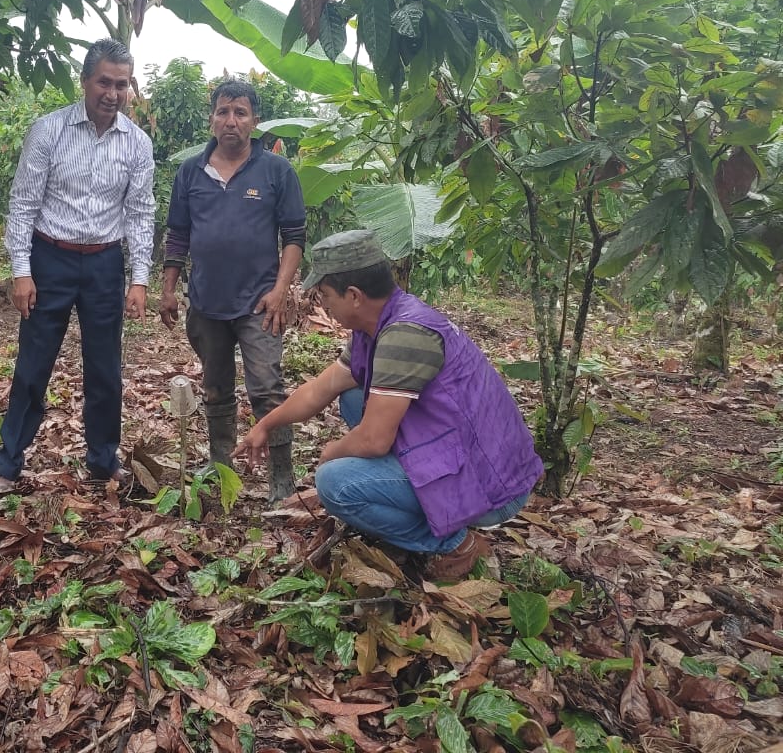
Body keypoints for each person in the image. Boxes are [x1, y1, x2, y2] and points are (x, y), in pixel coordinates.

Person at [236, 229, 544, 581]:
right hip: (462, 450)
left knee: (335, 484)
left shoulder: (404, 335)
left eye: (325, 296)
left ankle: (456, 544)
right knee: (353, 398)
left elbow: (373, 441)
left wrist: (331, 453)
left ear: (354, 296)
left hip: (492, 485)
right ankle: (414, 502)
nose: (324, 307)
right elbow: (320, 389)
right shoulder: (378, 325)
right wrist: (266, 424)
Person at [0, 39, 155, 493]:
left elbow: (141, 213)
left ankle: (102, 460)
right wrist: (21, 271)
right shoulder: (49, 131)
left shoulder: (137, 144)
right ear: (85, 81)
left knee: (105, 369)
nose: (112, 93)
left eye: (121, 85)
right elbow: (23, 204)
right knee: (33, 364)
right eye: (104, 82)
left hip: (104, 263)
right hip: (50, 259)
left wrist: (139, 279)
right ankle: (9, 461)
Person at [159, 79, 306, 501]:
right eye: (223, 111)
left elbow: (294, 236)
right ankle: (221, 465)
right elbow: (178, 234)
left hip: (260, 302)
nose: (231, 121)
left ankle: (281, 477)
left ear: (254, 121)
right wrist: (168, 290)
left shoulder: (276, 171)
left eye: (240, 113)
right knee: (216, 385)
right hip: (206, 301)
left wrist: (281, 290)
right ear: (212, 119)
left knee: (267, 386)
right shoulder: (191, 171)